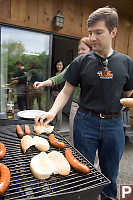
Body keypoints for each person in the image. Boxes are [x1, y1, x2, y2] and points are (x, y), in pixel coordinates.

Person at [35, 6, 133, 200]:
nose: (92, 38)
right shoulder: (81, 62)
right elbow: (66, 91)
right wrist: (52, 112)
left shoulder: (126, 62)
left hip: (114, 124)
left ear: (113, 32)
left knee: (110, 173)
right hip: (85, 121)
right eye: (90, 33)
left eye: (99, 32)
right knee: (84, 171)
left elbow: (129, 93)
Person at [33, 37, 92, 142]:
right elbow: (58, 78)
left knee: (90, 140)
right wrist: (42, 83)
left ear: (91, 49)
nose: (79, 52)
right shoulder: (75, 65)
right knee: (74, 136)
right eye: (78, 50)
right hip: (76, 106)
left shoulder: (100, 65)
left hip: (92, 109)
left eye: (83, 49)